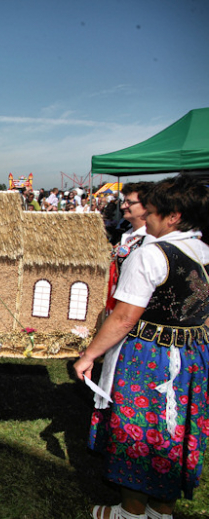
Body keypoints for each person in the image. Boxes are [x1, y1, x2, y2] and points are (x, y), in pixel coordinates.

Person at [73, 175, 209, 519]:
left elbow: (123, 319)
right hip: (193, 354)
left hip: (151, 356)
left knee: (140, 433)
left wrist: (90, 354)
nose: (145, 219)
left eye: (150, 213)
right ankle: (161, 510)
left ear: (173, 216)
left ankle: (130, 511)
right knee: (174, 432)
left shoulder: (151, 255)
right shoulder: (204, 251)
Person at [105, 182, 152, 314]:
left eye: (129, 202)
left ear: (147, 206)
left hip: (134, 311)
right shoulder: (125, 233)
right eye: (124, 201)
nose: (123, 206)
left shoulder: (151, 238)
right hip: (115, 305)